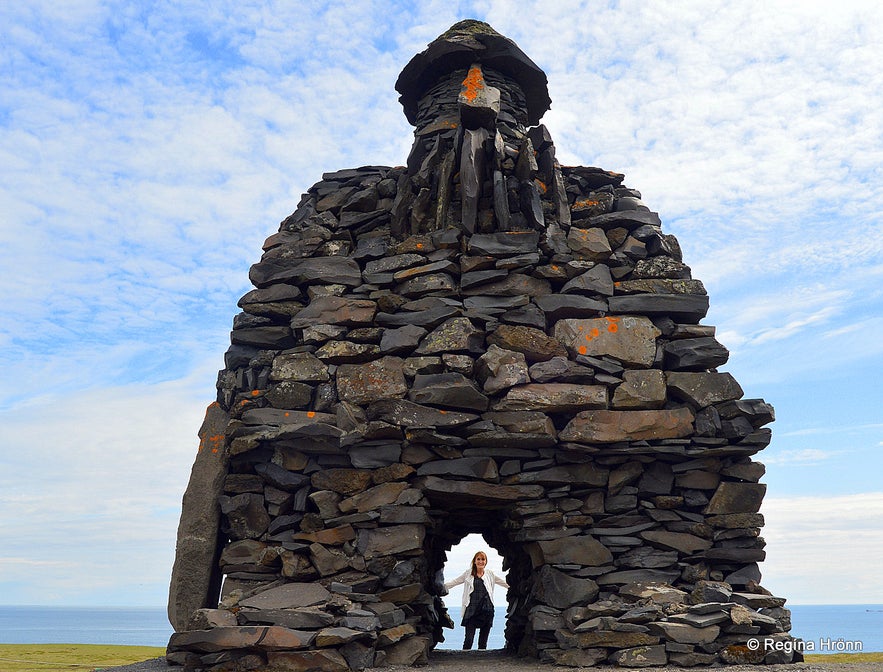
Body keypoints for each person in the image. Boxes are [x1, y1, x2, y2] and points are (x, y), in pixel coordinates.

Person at [444, 551, 508, 650]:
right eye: (478, 559)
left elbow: (503, 583)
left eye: (483, 559)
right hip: (472, 610)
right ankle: (464, 660)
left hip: (487, 610)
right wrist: (441, 587)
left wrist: (514, 588)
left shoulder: (490, 574)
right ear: (474, 561)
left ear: (486, 562)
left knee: (483, 642)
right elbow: (455, 582)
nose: (480, 561)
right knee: (468, 640)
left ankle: (482, 663)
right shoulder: (468, 574)